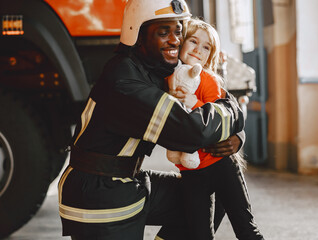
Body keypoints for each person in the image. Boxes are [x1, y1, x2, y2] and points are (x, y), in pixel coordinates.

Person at [57, 0, 245, 239]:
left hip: (127, 178)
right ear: (137, 35)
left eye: (178, 31)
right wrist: (233, 112)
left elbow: (221, 100)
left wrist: (238, 134)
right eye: (163, 32)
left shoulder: (153, 65)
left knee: (213, 192)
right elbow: (191, 131)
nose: (175, 40)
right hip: (99, 194)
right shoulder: (125, 81)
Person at [166, 18, 264, 240]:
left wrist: (192, 102)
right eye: (193, 41)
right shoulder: (166, 80)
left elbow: (218, 119)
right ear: (180, 43)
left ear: (210, 56)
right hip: (191, 171)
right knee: (200, 234)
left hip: (221, 164)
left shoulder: (209, 80)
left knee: (245, 226)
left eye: (206, 47)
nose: (198, 50)